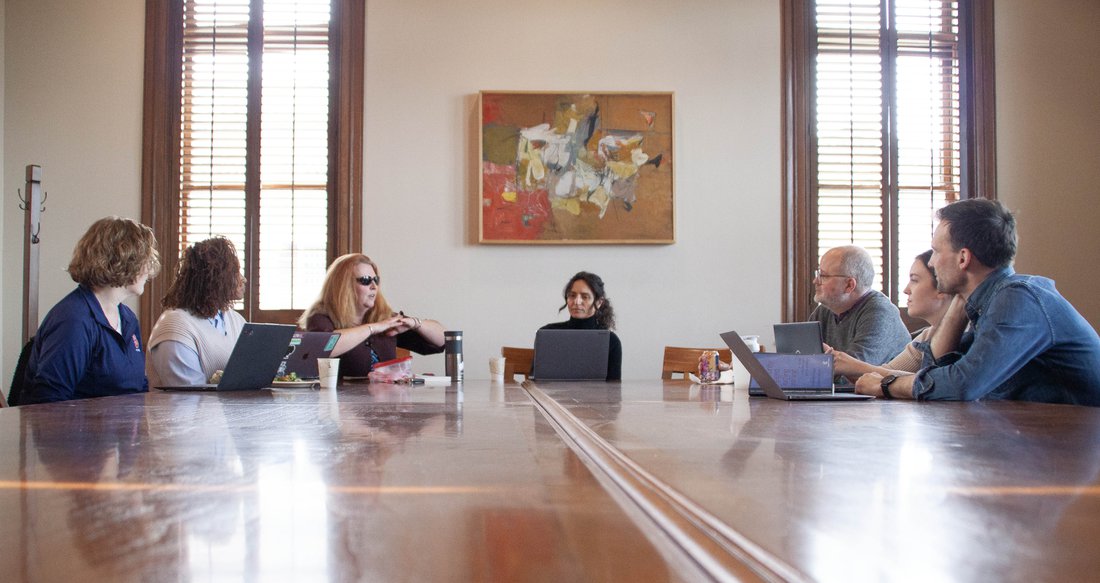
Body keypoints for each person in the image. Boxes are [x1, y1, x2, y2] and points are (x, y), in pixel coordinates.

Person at [856, 199, 1100, 405]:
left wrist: (887, 385)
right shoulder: (988, 302)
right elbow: (935, 375)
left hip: (1077, 448)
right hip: (1047, 441)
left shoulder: (1019, 298)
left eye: (937, 252)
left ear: (963, 258)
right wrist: (959, 305)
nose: (931, 263)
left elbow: (963, 385)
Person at [22, 217, 161, 404]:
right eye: (146, 260)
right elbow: (49, 402)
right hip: (79, 432)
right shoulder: (73, 321)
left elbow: (137, 389)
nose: (149, 270)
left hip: (122, 430)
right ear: (123, 260)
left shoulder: (128, 319)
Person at [299, 253, 445, 377]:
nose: (374, 286)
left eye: (376, 280)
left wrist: (415, 323)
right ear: (344, 285)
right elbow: (324, 346)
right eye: (365, 280)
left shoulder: (382, 317)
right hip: (342, 405)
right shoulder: (321, 317)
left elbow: (443, 339)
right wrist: (373, 328)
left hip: (384, 403)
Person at [828, 250, 953, 379]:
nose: (906, 290)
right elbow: (886, 373)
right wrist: (844, 362)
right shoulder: (927, 336)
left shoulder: (969, 334)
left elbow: (934, 382)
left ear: (942, 286)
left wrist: (853, 365)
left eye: (915, 280)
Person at [146, 237, 247, 387]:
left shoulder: (236, 320)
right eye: (235, 272)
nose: (243, 279)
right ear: (214, 278)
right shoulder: (175, 327)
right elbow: (188, 396)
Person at [809, 245, 910, 365]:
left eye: (823, 276)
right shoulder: (824, 310)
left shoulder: (880, 312)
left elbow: (853, 370)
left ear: (849, 285)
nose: (815, 281)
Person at [540, 271, 622, 380]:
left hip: (595, 397)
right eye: (572, 295)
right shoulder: (547, 333)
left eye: (585, 297)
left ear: (599, 302)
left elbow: (613, 390)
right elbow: (536, 381)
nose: (577, 302)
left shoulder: (610, 341)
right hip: (551, 396)